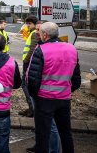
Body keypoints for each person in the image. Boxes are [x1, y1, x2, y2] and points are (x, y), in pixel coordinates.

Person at [27, 22, 81, 153]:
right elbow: (76, 80)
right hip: (64, 100)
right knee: (66, 133)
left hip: (44, 99)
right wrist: (66, 90)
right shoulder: (71, 49)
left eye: (40, 33)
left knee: (43, 136)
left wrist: (35, 95)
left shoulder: (40, 50)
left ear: (45, 35)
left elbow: (32, 80)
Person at [26, 20, 61, 153]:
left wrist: (34, 92)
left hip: (45, 95)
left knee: (51, 125)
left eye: (39, 31)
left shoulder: (44, 49)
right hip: (44, 93)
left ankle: (53, 150)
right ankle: (40, 146)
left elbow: (37, 75)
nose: (36, 33)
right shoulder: (40, 46)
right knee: (40, 123)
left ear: (45, 34)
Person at [19, 15, 38, 117]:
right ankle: (32, 108)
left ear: (35, 24)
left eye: (30, 24)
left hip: (29, 64)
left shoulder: (35, 33)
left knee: (25, 85)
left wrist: (26, 61)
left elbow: (32, 49)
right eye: (27, 23)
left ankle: (32, 109)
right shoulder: (32, 33)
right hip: (29, 63)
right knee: (26, 85)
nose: (28, 25)